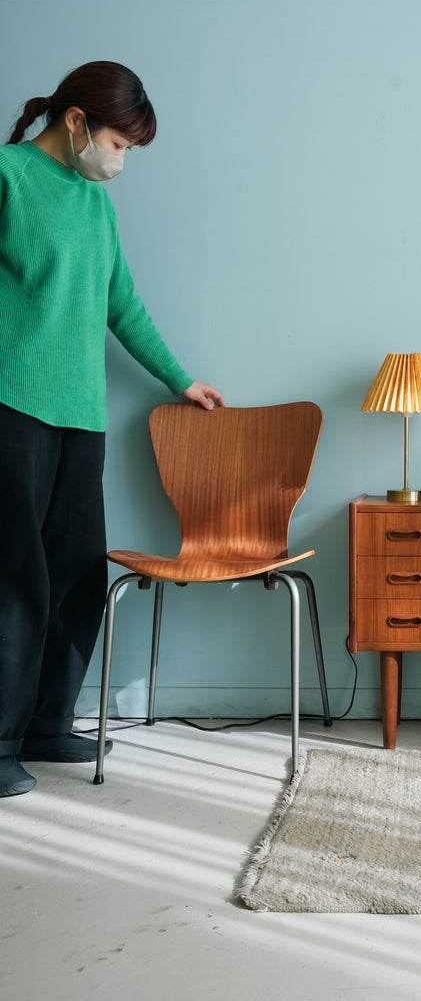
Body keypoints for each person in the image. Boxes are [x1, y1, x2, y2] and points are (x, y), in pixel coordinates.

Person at [0, 61, 224, 797]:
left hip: (79, 417)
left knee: (76, 580)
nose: (120, 160)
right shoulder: (8, 177)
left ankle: (45, 722)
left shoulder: (95, 205)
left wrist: (179, 379)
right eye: (119, 144)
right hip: (12, 409)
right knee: (15, 583)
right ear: (75, 124)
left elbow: (121, 302)